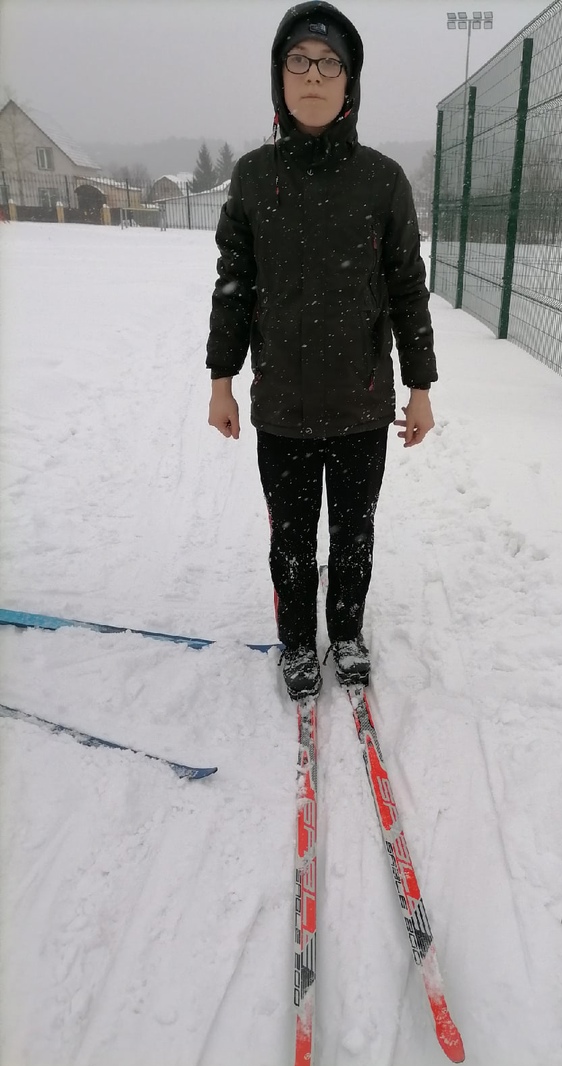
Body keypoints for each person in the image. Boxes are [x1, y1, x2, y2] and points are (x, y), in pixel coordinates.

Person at [206, 1, 437, 701]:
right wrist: (221, 379)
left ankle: (347, 632)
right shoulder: (253, 178)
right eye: (299, 61)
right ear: (279, 77)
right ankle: (299, 643)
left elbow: (407, 288)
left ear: (350, 82)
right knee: (291, 541)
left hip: (361, 404)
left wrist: (419, 388)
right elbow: (234, 286)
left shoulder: (382, 181)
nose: (313, 75)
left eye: (330, 63)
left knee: (355, 535)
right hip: (283, 406)